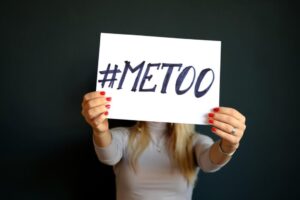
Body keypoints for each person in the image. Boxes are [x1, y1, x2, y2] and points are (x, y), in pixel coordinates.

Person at [81, 91, 246, 200]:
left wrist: (229, 146)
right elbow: (108, 156)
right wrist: (100, 130)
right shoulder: (124, 136)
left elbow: (210, 162)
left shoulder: (194, 141)